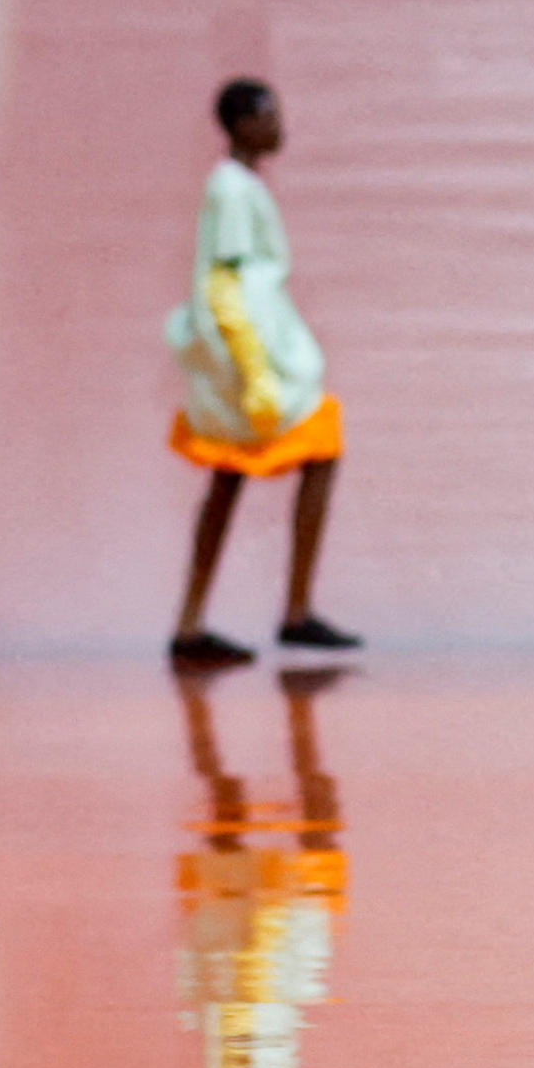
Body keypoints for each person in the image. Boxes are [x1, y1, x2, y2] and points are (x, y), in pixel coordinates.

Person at [166, 78, 356, 664]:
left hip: (254, 354)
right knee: (308, 452)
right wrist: (254, 372)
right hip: (248, 359)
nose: (278, 125)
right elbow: (224, 286)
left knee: (234, 479)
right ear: (243, 123)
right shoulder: (230, 189)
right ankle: (283, 612)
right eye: (269, 114)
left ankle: (201, 620)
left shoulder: (238, 186)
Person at [175, 660, 349, 1068]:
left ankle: (265, 729)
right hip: (258, 967)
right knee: (282, 817)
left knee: (256, 817)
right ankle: (283, 726)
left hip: (253, 966)